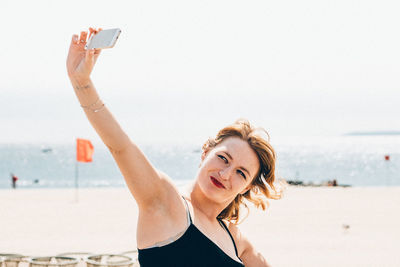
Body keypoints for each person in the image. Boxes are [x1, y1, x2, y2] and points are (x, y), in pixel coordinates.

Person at [66, 28, 282, 267]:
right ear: (205, 153)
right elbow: (121, 146)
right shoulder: (165, 202)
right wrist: (82, 82)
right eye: (223, 158)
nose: (225, 174)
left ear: (247, 187)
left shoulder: (236, 240)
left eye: (241, 172)